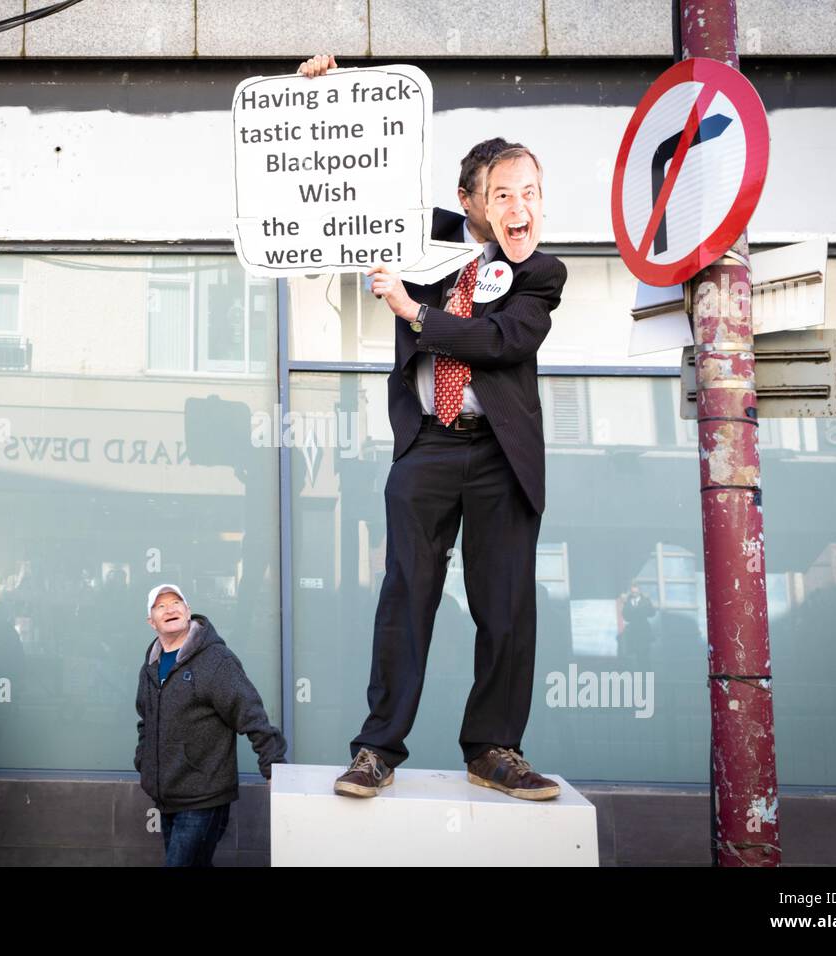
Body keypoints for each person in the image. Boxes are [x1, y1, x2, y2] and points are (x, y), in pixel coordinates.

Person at [300, 54, 568, 802]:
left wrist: (418, 315)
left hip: (500, 458)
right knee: (406, 596)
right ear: (469, 201)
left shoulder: (541, 274)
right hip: (429, 445)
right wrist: (331, 100)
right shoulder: (422, 240)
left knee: (506, 606)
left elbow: (503, 343)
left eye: (533, 194)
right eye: (504, 194)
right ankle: (377, 749)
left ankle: (495, 749)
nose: (521, 209)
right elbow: (361, 182)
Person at [134, 583, 286, 866]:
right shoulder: (151, 667)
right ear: (151, 622)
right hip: (167, 795)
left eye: (177, 602)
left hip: (204, 795)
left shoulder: (215, 660)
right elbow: (146, 720)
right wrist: (145, 762)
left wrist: (272, 764)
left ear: (188, 611)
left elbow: (250, 712)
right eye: (161, 606)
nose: (170, 609)